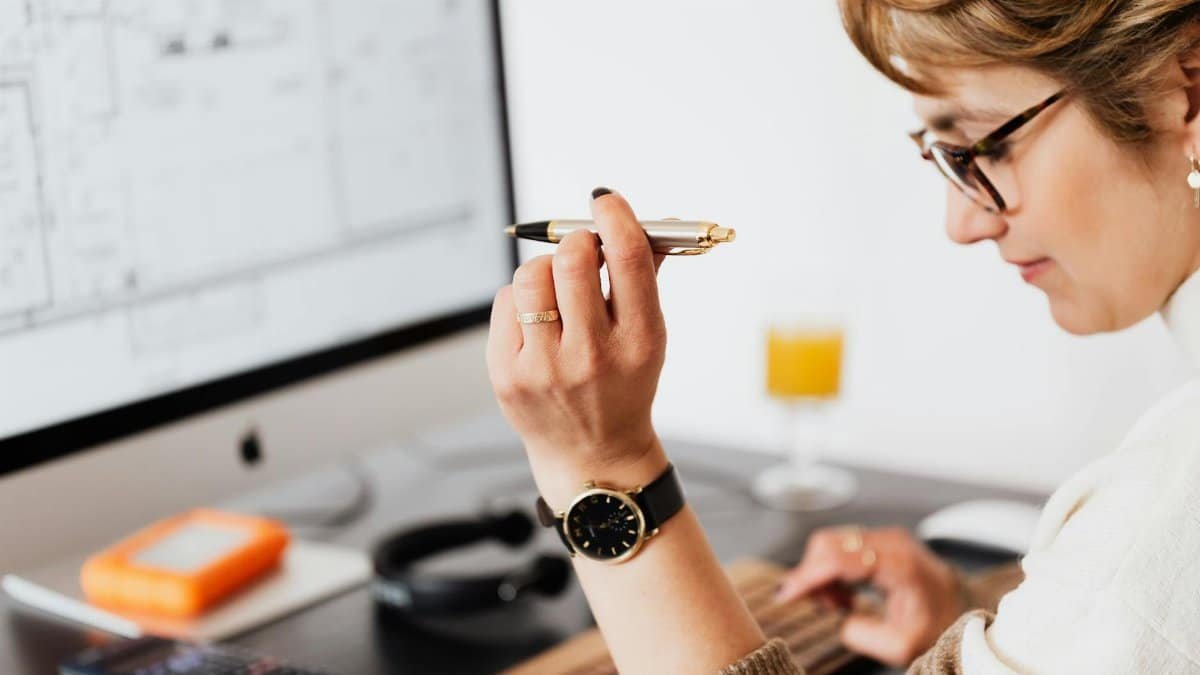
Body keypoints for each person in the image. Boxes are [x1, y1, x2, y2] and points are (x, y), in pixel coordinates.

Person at [485, 1, 1200, 672]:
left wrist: (601, 462)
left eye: (981, 146)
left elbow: (1136, 593)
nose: (963, 222)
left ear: (1188, 93)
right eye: (939, 154)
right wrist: (977, 619)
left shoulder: (1157, 520)